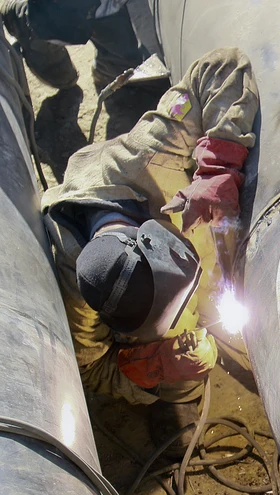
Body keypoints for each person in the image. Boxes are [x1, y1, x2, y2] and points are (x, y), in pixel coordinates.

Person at [41, 47, 259, 440]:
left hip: (118, 169)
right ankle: (179, 396)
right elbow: (91, 367)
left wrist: (217, 167)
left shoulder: (152, 154)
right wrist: (159, 366)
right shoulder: (74, 286)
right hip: (94, 208)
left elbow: (221, 66)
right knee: (176, 366)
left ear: (157, 239)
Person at [0, 0, 147, 90]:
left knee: (124, 62)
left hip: (110, 11)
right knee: (40, 24)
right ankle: (19, 18)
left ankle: (108, 70)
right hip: (53, 13)